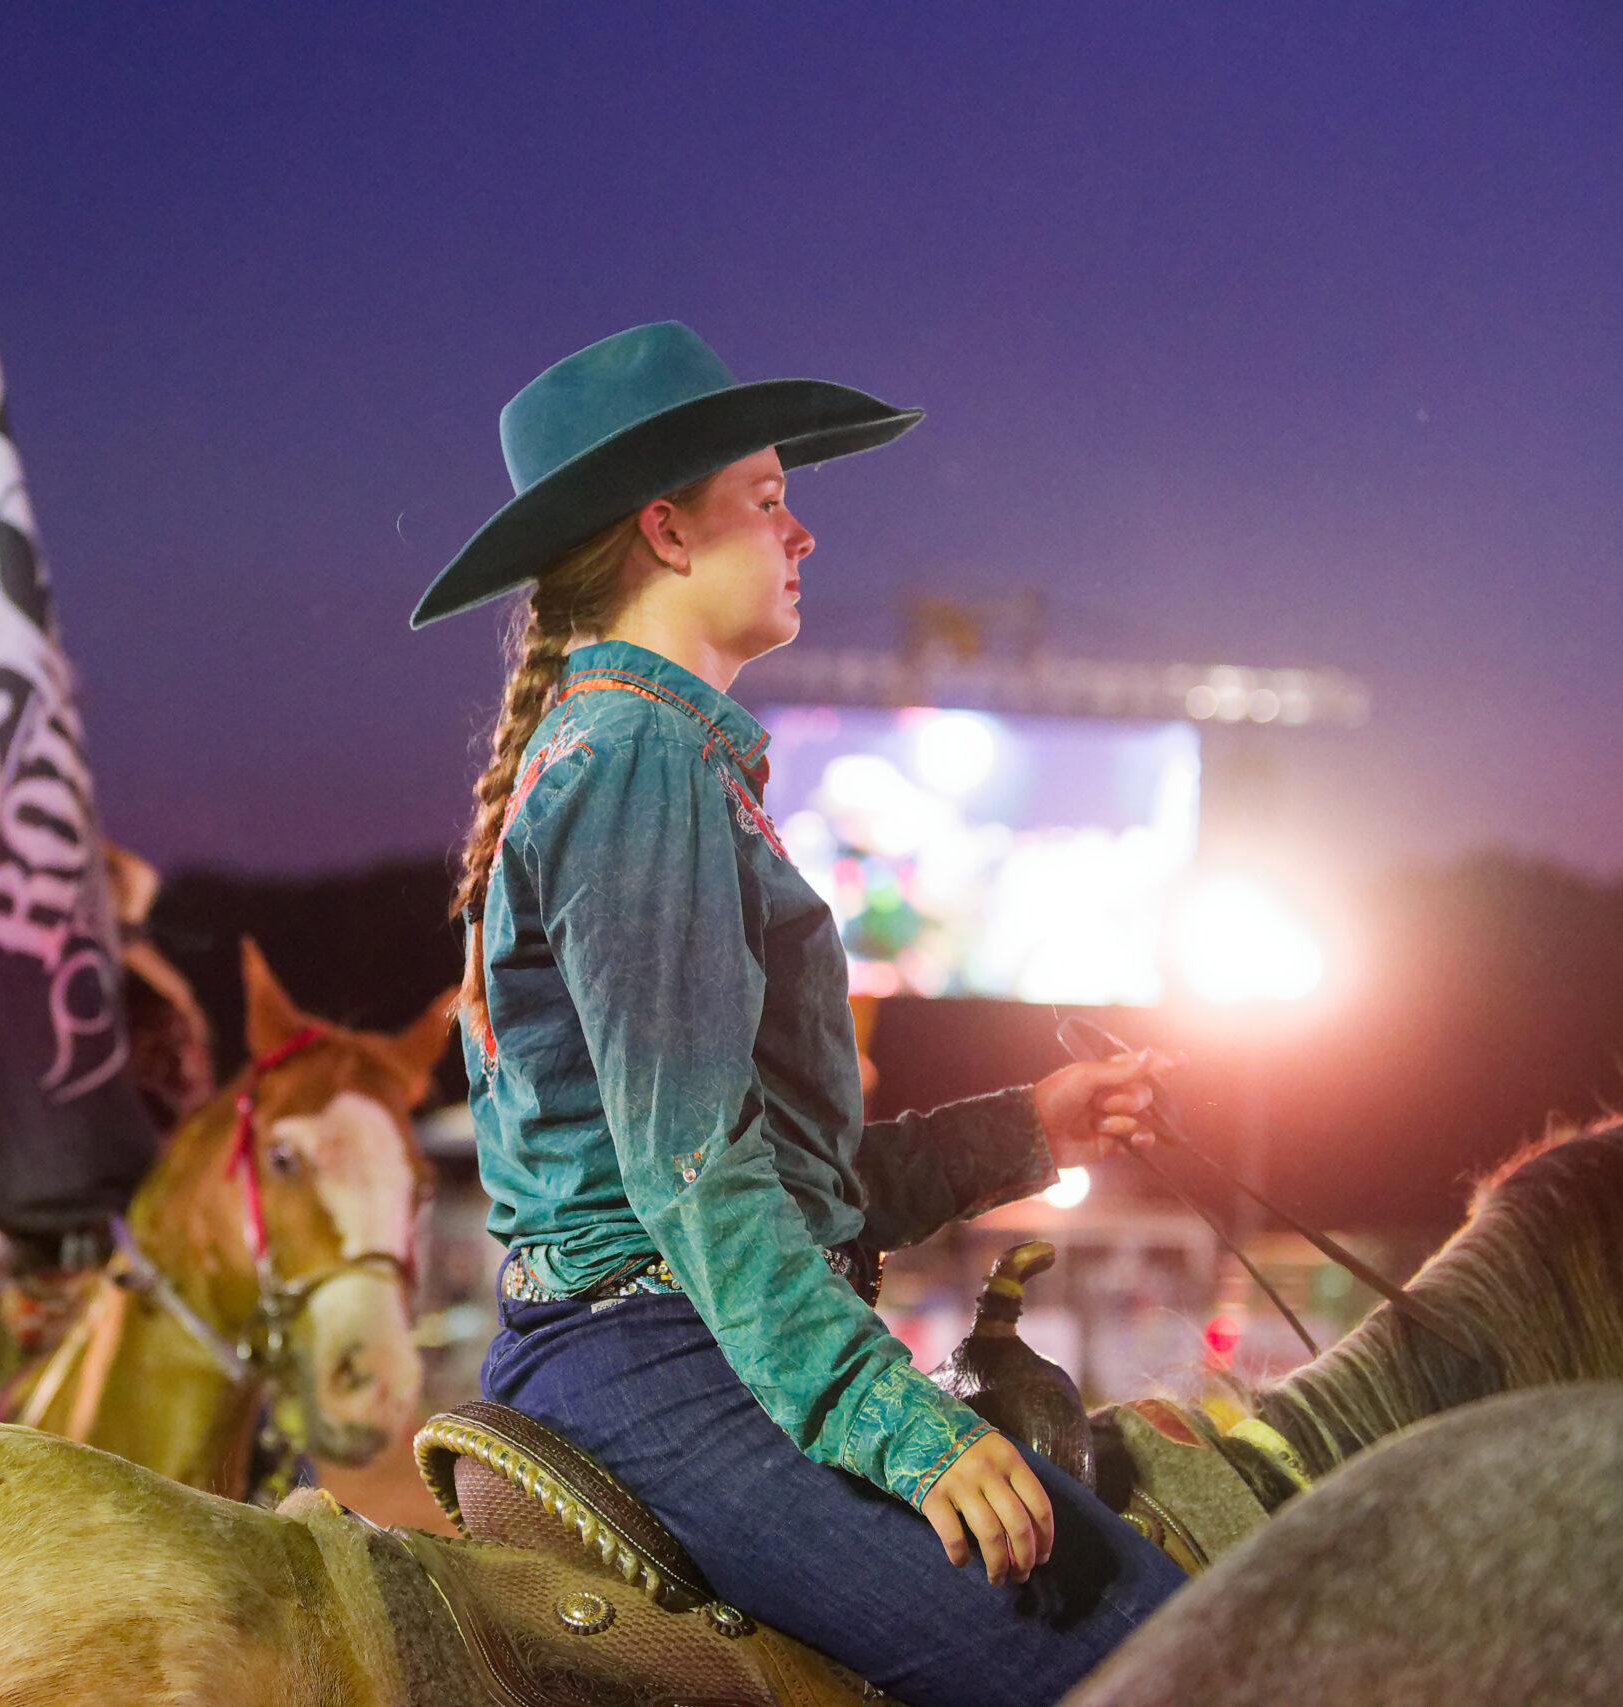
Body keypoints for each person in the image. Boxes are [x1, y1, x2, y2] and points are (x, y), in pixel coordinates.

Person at [414, 322, 1187, 1707]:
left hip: (655, 1340)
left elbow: (765, 1180)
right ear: (663, 531)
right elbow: (698, 1178)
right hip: (660, 1362)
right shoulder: (642, 758)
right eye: (769, 501)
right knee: (1176, 1657)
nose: (804, 534)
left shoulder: (644, 753)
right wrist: (901, 1429)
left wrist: (1027, 1126)